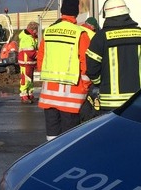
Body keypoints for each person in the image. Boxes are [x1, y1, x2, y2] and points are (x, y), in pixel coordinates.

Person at [36, 0, 91, 141]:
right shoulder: (81, 33)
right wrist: (86, 88)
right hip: (71, 97)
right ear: (77, 12)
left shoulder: (49, 32)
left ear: (62, 12)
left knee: (52, 137)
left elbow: (41, 62)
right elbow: (86, 66)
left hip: (49, 95)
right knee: (69, 139)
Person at [86, 0, 141, 115]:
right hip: (138, 102)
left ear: (107, 15)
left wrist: (99, 82)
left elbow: (92, 68)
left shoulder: (100, 38)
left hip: (111, 104)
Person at [18, 21, 39, 104]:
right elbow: (30, 51)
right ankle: (24, 95)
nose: (37, 31)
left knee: (29, 79)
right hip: (26, 61)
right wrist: (38, 55)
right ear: (33, 29)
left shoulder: (31, 37)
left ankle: (29, 94)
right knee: (25, 79)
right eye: (36, 30)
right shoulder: (27, 38)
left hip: (29, 62)